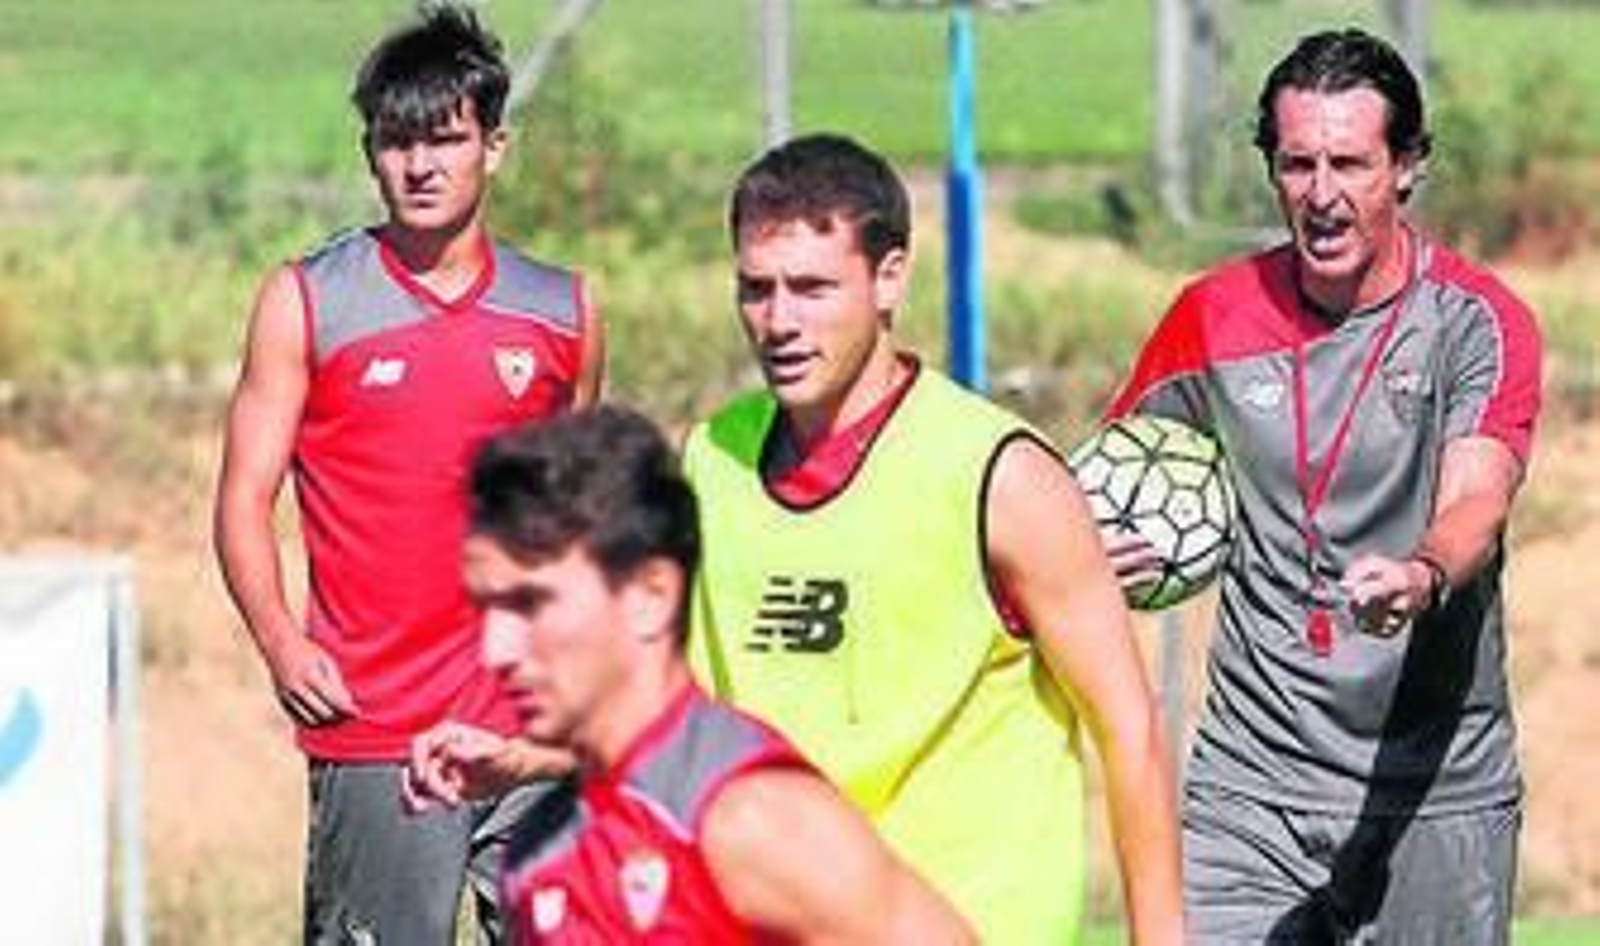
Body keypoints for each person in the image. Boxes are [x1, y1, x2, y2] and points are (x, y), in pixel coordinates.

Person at [683, 132, 1184, 943]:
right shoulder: (713, 459)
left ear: (889, 279)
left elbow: (1129, 728)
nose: (778, 321)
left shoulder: (1002, 477)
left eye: (811, 288)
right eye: (756, 289)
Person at [1104, 28, 1543, 943]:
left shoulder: (1476, 324)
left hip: (1436, 793)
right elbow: (1102, 480)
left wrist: (1420, 575)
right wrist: (1087, 555)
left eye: (1350, 162)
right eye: (1297, 164)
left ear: (1409, 166)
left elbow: (1477, 504)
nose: (1322, 194)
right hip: (1248, 793)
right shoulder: (1209, 318)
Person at [212, 4, 603, 942]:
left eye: (445, 138)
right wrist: (280, 642)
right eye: (397, 142)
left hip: (531, 729)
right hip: (381, 728)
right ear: (369, 152)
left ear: (493, 147)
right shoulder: (307, 301)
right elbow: (241, 499)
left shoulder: (564, 311)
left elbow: (580, 520)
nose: (420, 165)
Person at [405, 405, 975, 943]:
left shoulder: (752, 821)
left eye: (532, 604)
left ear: (651, 596)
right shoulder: (539, 850)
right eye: (487, 608)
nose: (497, 648)